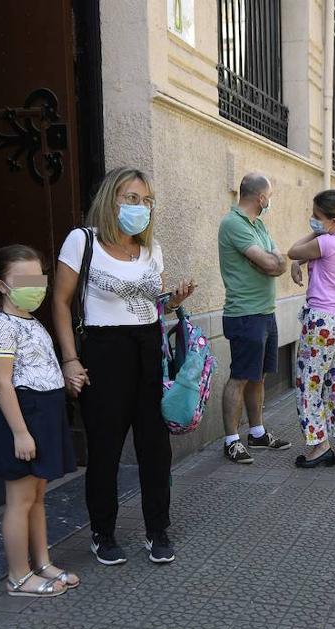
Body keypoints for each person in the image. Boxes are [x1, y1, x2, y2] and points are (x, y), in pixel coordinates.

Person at [51, 167, 195, 566]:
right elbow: (60, 302)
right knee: (105, 448)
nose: (140, 207)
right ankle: (103, 533)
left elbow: (154, 304)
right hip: (103, 351)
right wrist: (70, 359)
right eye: (132, 198)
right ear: (111, 198)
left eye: (147, 201)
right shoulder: (82, 241)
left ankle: (157, 530)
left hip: (148, 349)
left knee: (156, 448)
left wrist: (174, 301)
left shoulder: (151, 249)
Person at [0, 245, 78, 597]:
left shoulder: (30, 320)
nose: (35, 286)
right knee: (19, 501)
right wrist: (20, 432)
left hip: (44, 416)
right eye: (24, 280)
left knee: (37, 497)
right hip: (23, 419)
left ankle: (42, 563)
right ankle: (18, 576)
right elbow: (3, 383)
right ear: (2, 285)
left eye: (39, 278)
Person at [218, 172, 292, 464]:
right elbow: (269, 263)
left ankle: (257, 433)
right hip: (245, 313)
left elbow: (278, 262)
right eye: (269, 196)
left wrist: (272, 262)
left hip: (265, 311)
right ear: (261, 197)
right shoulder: (233, 223)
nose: (270, 201)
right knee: (240, 376)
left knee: (258, 376)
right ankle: (231, 440)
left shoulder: (258, 225)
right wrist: (269, 263)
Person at [286, 189, 335, 469]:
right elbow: (309, 256)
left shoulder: (326, 241)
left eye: (317, 215)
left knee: (309, 382)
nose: (312, 219)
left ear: (333, 220)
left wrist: (314, 234)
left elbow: (293, 250)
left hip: (321, 321)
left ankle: (318, 446)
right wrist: (300, 262)